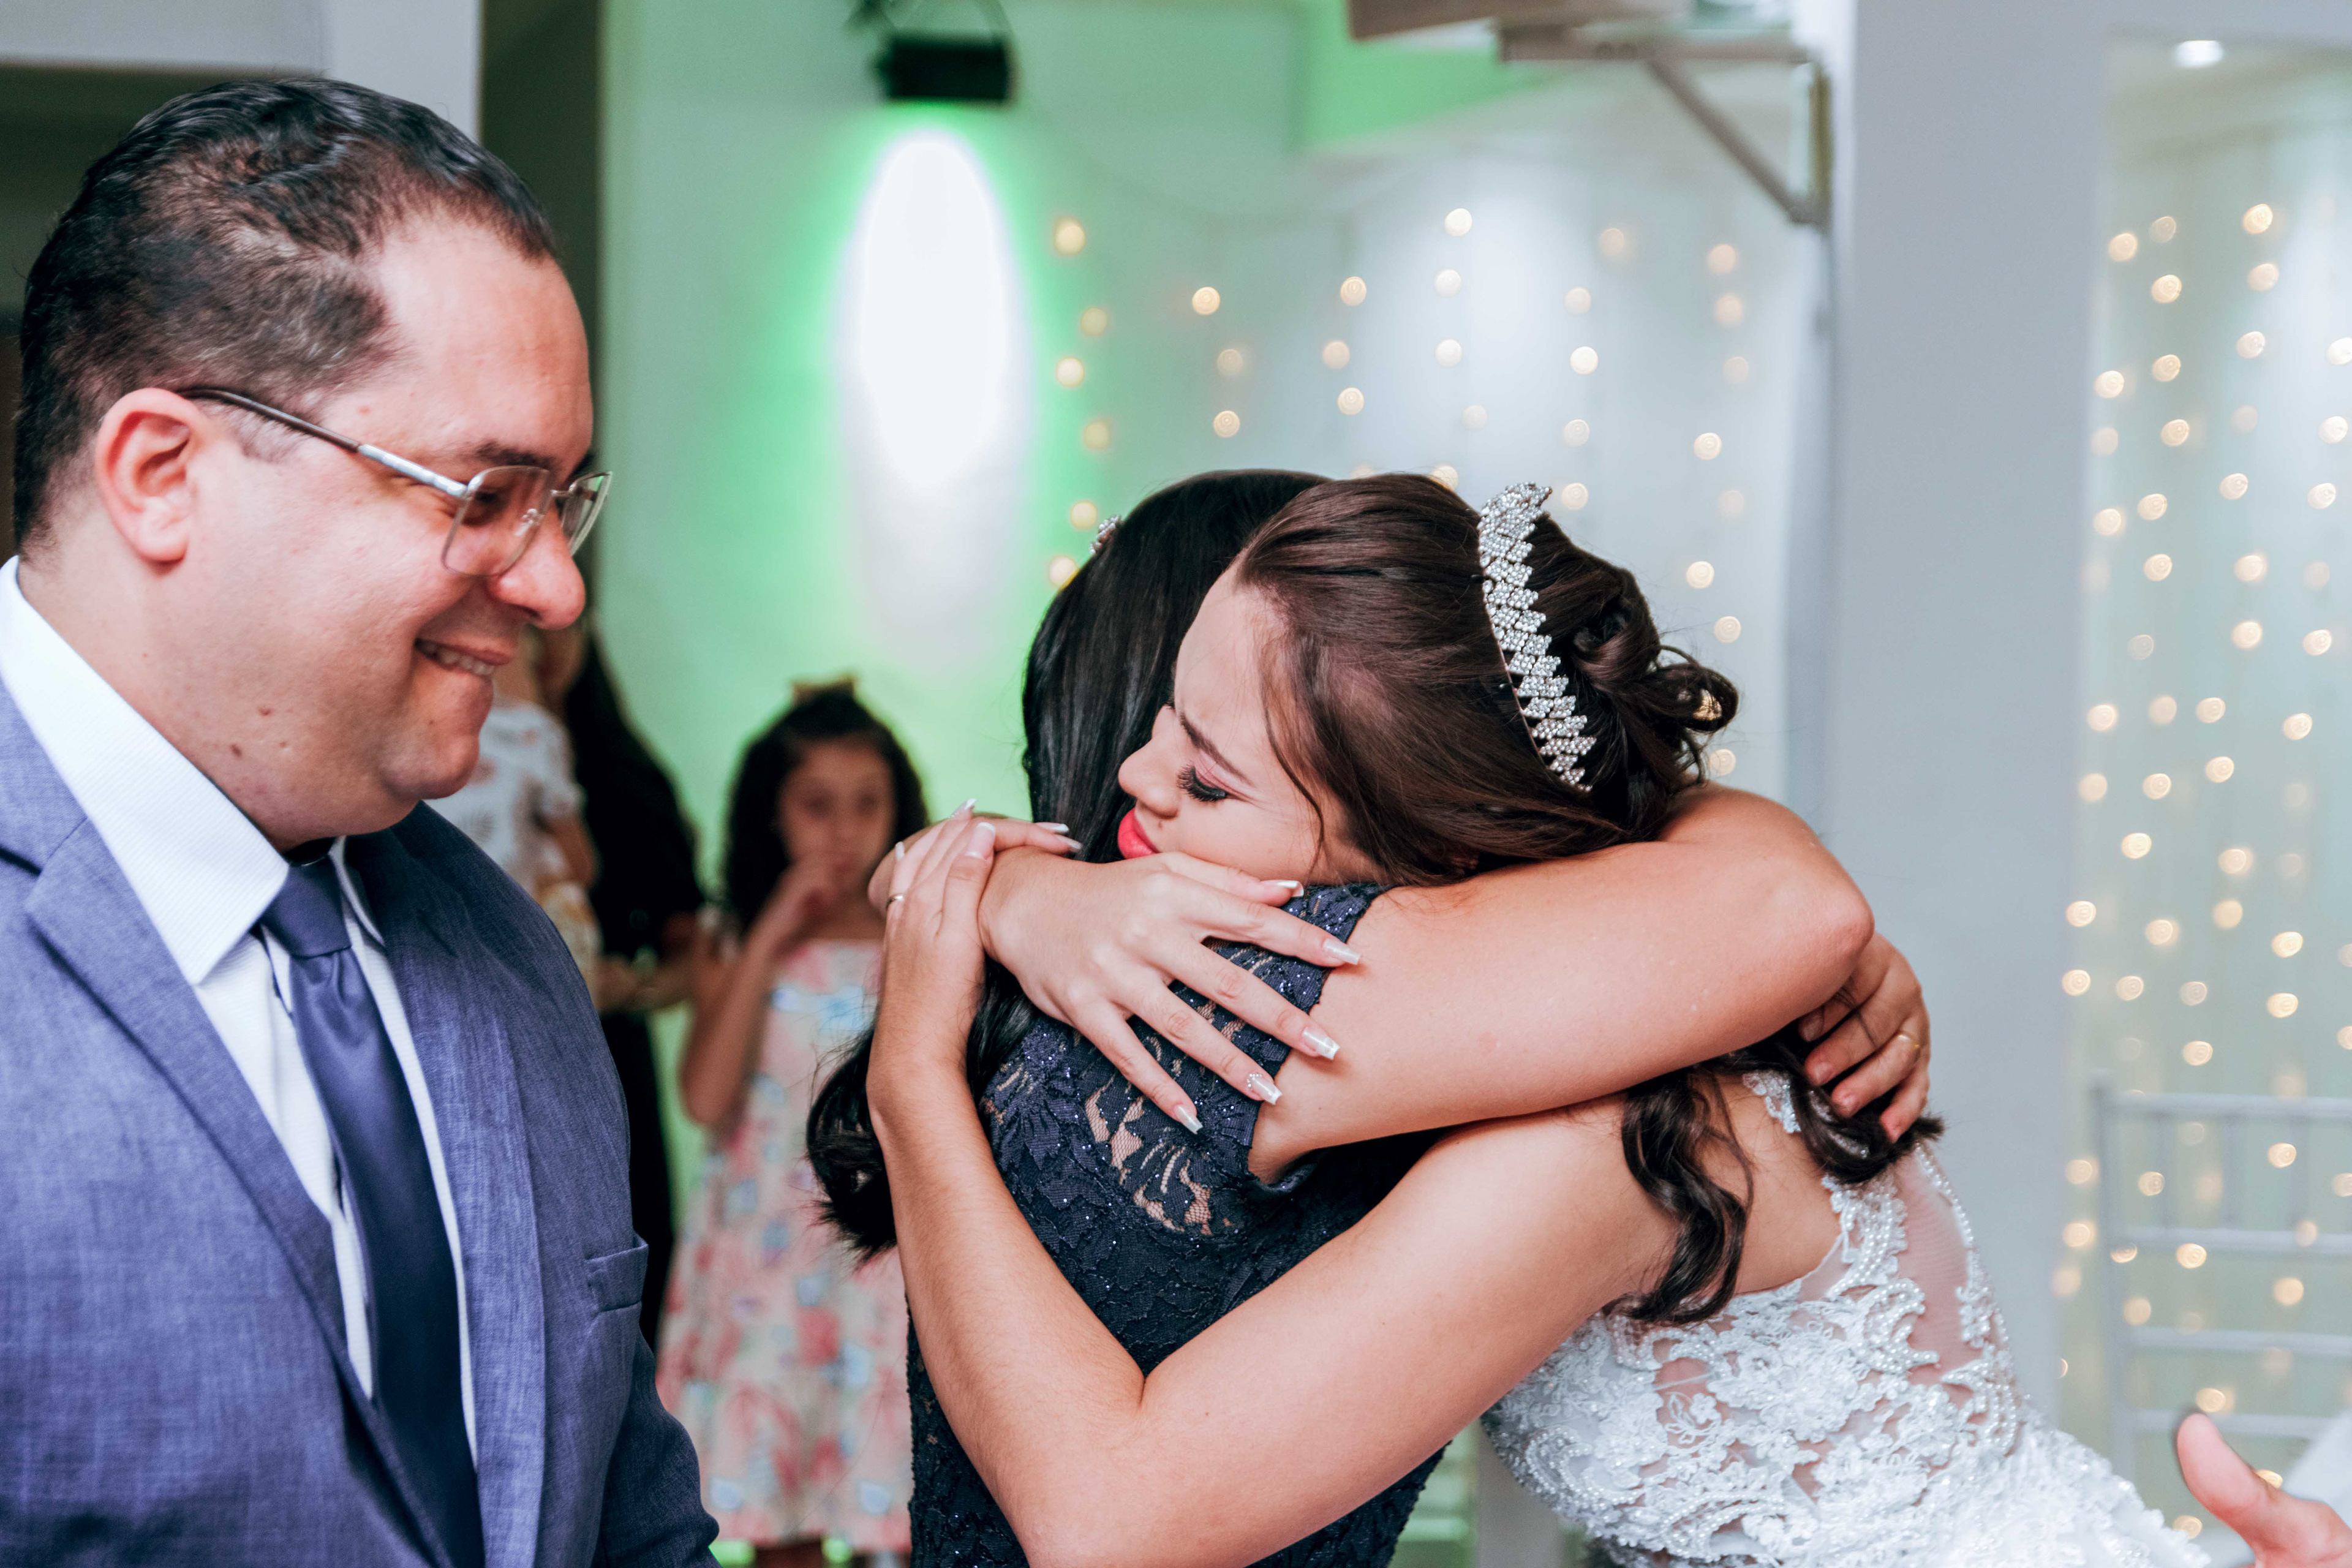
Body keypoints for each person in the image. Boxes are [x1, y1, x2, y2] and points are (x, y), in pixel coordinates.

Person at [848, 474, 2225, 1567]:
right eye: (1162, 720)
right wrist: (1012, 890)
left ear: (1431, 863)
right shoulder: (1633, 993)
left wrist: (918, 1067)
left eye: (1209, 780)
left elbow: (1109, 1518)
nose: (1134, 788)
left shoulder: (1577, 1120)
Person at [0, 79, 713, 1566]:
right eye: (485, 493)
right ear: (164, 474)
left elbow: (625, 1515)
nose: (556, 586)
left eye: (560, 502)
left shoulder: (509, 957)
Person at [658, 682, 930, 1565]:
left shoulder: (915, 940)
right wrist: (771, 931)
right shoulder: (732, 941)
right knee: (781, 1514)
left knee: (894, 1492)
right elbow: (705, 1099)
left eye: (866, 804)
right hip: (765, 1269)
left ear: (898, 810)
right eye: (816, 805)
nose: (843, 831)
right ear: (770, 812)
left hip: (877, 1256)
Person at [549, 620, 707, 1347]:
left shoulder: (621, 776)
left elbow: (689, 957)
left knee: (618, 1277)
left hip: (602, 1058)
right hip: (482, 1047)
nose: (539, 649)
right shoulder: (454, 768)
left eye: (560, 633)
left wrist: (626, 989)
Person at [426, 624, 603, 976]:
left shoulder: (406, 733)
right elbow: (582, 864)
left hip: (431, 936)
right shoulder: (533, 731)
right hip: (516, 940)